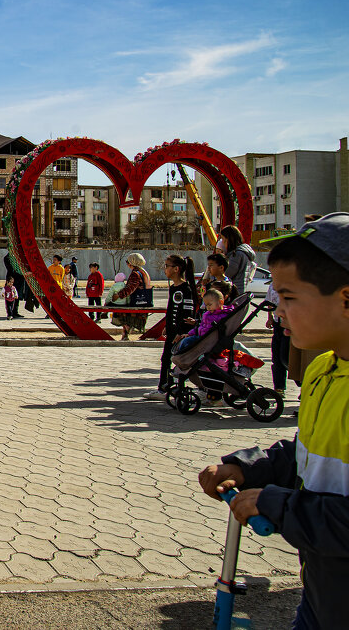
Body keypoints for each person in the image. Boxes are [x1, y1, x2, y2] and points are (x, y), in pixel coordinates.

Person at [196, 212, 349, 628]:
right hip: (322, 586)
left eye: (290, 297)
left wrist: (280, 504)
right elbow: (307, 452)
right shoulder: (324, 370)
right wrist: (249, 468)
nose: (277, 311)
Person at [145, 255, 199, 400]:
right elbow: (171, 311)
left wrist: (181, 333)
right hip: (172, 331)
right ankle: (165, 386)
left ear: (176, 269)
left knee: (172, 359)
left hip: (179, 334)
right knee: (166, 359)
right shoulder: (174, 288)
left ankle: (166, 388)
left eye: (167, 266)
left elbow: (187, 313)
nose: (165, 269)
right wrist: (166, 327)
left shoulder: (185, 289)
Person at [172, 288, 234, 354]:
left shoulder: (224, 315)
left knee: (186, 342)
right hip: (202, 337)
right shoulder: (207, 314)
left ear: (221, 302)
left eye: (210, 305)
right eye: (206, 305)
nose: (208, 308)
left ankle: (182, 356)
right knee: (185, 341)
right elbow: (200, 326)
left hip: (208, 339)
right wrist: (190, 333)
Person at [110, 253, 151, 341]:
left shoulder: (135, 274)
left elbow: (130, 289)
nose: (127, 264)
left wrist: (118, 295)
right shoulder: (143, 272)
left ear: (131, 262)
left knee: (119, 309)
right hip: (145, 300)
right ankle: (125, 334)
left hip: (137, 301)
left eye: (127, 262)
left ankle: (126, 332)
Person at [264, 280, 288, 394]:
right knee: (277, 358)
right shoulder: (273, 285)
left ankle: (302, 384)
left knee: (286, 357)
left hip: (289, 325)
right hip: (277, 324)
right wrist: (270, 318)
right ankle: (279, 388)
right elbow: (269, 303)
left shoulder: (293, 284)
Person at [221, 225, 256, 295]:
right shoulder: (245, 253)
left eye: (223, 239)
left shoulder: (236, 254)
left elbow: (228, 274)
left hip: (235, 293)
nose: (222, 242)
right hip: (242, 291)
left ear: (228, 239)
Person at [2, 253, 26, 318]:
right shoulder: (7, 258)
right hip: (11, 279)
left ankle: (15, 311)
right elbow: (10, 268)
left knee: (16, 296)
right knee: (9, 297)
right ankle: (10, 313)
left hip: (19, 279)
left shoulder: (19, 257)